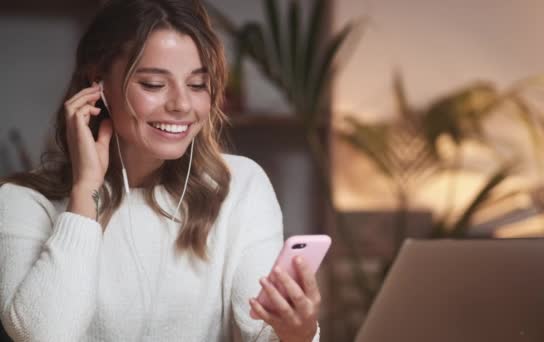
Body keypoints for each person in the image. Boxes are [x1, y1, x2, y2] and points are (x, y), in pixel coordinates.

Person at [0, 0, 322, 341]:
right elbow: (44, 335)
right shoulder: (23, 202)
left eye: (198, 85)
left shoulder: (240, 186)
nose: (182, 105)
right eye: (154, 84)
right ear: (99, 83)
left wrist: (298, 332)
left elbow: (262, 333)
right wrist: (84, 195)